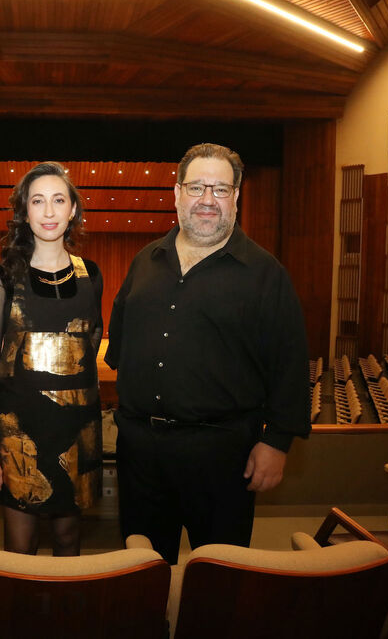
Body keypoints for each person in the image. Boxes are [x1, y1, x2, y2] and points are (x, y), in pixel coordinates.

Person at [104, 143, 310, 564]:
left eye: (220, 189)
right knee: (142, 572)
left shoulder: (266, 274)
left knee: (220, 577)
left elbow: (290, 364)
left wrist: (277, 442)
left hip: (224, 456)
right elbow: (122, 346)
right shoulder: (145, 261)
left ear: (236, 197)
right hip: (142, 455)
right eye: (197, 187)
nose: (207, 200)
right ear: (177, 193)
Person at [0, 162, 104, 556]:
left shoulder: (91, 275)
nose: (48, 212)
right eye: (38, 201)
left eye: (58, 200)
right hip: (19, 436)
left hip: (77, 431)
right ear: (24, 212)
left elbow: (90, 346)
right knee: (20, 548)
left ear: (73, 210)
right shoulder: (4, 279)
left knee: (69, 541)